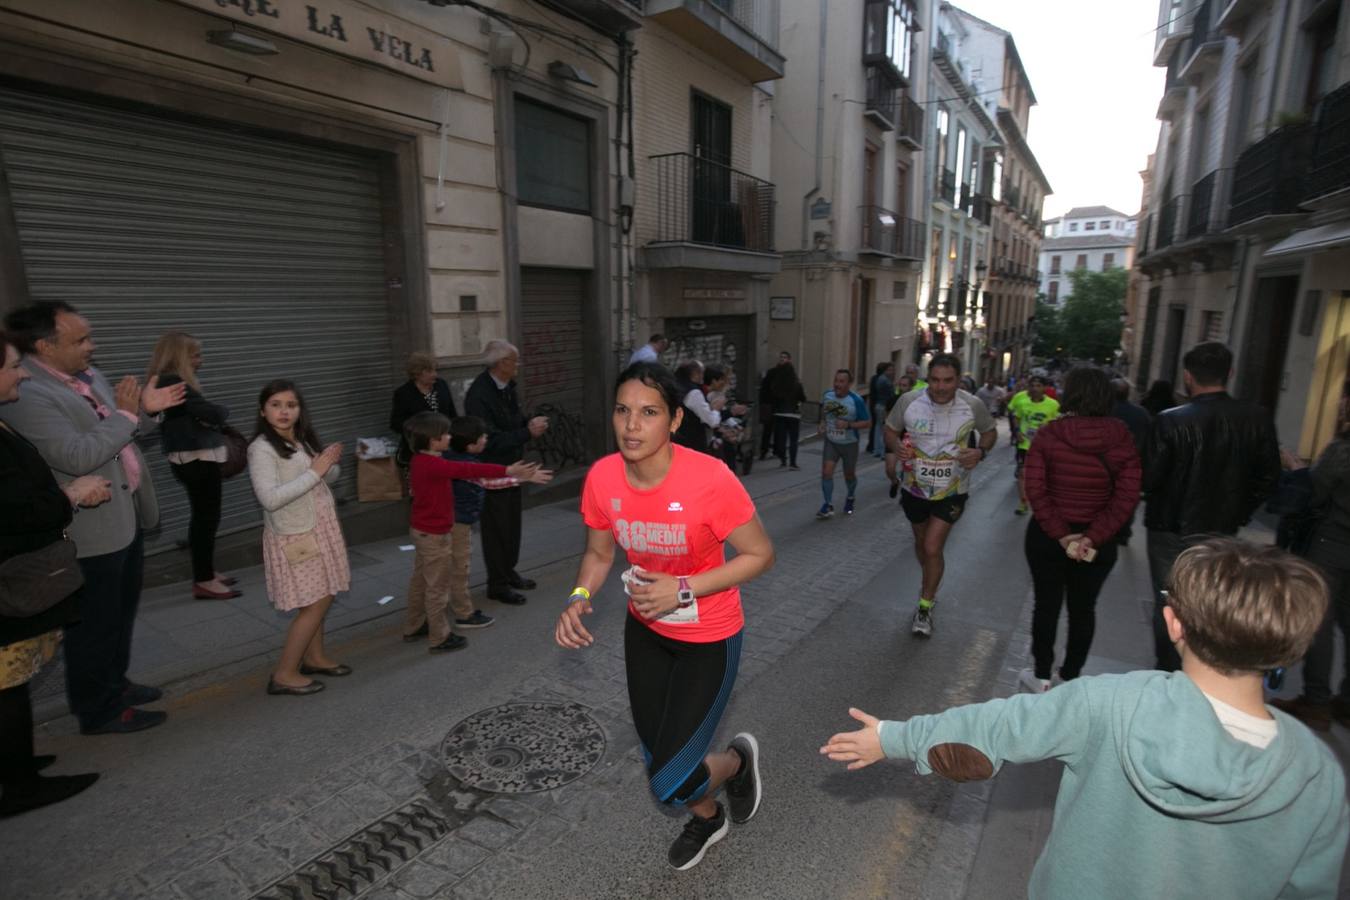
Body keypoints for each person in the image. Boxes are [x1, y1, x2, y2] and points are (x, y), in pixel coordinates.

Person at [823, 539, 1348, 899]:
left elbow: (1001, 725)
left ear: (1172, 624)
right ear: (1290, 651)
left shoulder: (1112, 703)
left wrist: (893, 738)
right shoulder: (1315, 773)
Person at [555, 361, 775, 871]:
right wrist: (579, 593)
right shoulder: (603, 477)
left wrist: (684, 588)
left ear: (675, 420)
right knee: (661, 760)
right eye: (623, 411)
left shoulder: (710, 479)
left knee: (669, 778)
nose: (632, 425)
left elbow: (761, 555)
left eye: (649, 413)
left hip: (710, 636)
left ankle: (737, 762)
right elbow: (600, 553)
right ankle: (708, 816)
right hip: (646, 632)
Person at [0, 301, 185, 734]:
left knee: (120, 614)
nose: (91, 346)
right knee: (94, 625)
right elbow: (77, 454)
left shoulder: (89, 376)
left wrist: (147, 410)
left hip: (124, 517)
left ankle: (116, 684)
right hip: (90, 532)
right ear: (44, 345)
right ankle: (97, 708)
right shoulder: (27, 394)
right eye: (80, 339)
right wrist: (125, 414)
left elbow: (126, 431)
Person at [0, 334, 104, 817]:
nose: (20, 373)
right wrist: (71, 495)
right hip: (9, 581)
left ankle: (15, 762)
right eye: (14, 366)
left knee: (12, 683)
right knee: (7, 683)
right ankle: (19, 785)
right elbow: (13, 512)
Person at [1143, 341, 1279, 672]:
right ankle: (1202, 668)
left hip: (1169, 528)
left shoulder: (1170, 421)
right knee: (1208, 602)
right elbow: (1269, 477)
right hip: (1221, 529)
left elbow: (1148, 478)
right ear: (1229, 373)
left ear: (1188, 377)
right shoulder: (1256, 418)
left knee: (1169, 601)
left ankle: (1168, 671)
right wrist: (1239, 509)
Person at [1019, 367, 1141, 693]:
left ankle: (1041, 675)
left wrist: (1060, 534)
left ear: (1068, 394)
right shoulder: (1122, 437)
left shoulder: (1048, 435)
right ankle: (1069, 677)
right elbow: (1126, 495)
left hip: (1047, 537)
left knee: (1046, 604)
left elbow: (1036, 488)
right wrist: (1093, 536)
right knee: (1083, 609)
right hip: (1097, 542)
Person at [400, 412, 546, 653]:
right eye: (445, 434)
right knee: (437, 587)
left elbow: (471, 472)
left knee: (421, 580)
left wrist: (511, 474)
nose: (449, 436)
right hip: (435, 534)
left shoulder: (422, 460)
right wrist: (509, 469)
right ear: (432, 440)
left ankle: (414, 625)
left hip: (424, 531)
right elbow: (467, 470)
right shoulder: (434, 464)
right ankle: (439, 637)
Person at [248, 380, 350, 696]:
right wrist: (315, 472)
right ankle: (285, 674)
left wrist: (329, 463)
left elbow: (323, 477)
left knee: (320, 594)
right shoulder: (261, 448)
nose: (284, 411)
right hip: (296, 535)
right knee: (316, 601)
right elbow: (270, 498)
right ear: (263, 411)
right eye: (276, 405)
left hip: (320, 527)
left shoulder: (300, 438)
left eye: (291, 405)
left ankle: (315, 657)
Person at [885, 353, 997, 637]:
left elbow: (989, 432)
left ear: (958, 380)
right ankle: (930, 579)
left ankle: (925, 606)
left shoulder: (972, 405)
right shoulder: (909, 401)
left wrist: (980, 452)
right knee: (922, 545)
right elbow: (889, 430)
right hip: (915, 487)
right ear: (928, 379)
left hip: (953, 489)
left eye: (948, 381)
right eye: (935, 380)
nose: (940, 387)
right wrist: (896, 446)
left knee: (933, 547)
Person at [1268, 392, 1350, 731]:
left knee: (1319, 622)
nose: (1341, 401)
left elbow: (1314, 493)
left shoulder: (1341, 450)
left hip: (1332, 542)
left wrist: (1298, 469)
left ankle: (1316, 701)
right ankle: (1346, 702)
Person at [148, 331, 239, 600]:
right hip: (196, 458)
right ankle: (203, 579)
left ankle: (207, 572)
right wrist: (222, 412)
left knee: (204, 516)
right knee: (205, 518)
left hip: (190, 457)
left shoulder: (167, 381)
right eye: (195, 355)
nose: (200, 360)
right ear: (180, 357)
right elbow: (209, 413)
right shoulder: (174, 382)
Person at [463, 340, 549, 606]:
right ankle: (496, 584)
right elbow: (489, 438)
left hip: (513, 467)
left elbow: (511, 421)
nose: (518, 365)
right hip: (493, 470)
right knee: (496, 528)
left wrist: (528, 423)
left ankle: (509, 571)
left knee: (512, 525)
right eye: (514, 360)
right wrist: (526, 432)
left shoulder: (506, 387)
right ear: (501, 364)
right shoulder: (480, 394)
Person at [816, 369, 869, 518]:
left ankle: (850, 496)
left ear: (849, 384)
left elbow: (867, 423)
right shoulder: (827, 395)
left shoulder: (856, 400)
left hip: (849, 444)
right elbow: (824, 412)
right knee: (826, 472)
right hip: (831, 442)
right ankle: (828, 504)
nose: (837, 384)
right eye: (836, 380)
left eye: (841, 381)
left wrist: (848, 425)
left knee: (849, 475)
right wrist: (822, 422)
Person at [390, 352, 458, 469]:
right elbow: (396, 423)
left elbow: (452, 413)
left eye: (435, 370)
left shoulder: (441, 385)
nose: (435, 375)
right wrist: (421, 430)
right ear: (417, 374)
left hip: (445, 448)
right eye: (429, 371)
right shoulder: (404, 394)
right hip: (419, 451)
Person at [1008, 375, 1060, 515]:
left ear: (1044, 388)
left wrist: (1048, 427)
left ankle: (1041, 501)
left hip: (1043, 446)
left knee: (1041, 475)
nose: (1035, 389)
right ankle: (1023, 502)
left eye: (1038, 386)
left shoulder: (1053, 405)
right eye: (1032, 386)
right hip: (1024, 444)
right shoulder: (1023, 402)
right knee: (1022, 473)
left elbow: (1058, 423)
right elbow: (1016, 417)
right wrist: (1017, 432)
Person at [768, 352, 806, 469]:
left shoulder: (776, 383)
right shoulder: (796, 383)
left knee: (781, 438)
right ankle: (793, 463)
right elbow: (803, 398)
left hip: (780, 413)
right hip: (794, 414)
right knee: (793, 439)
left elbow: (772, 396)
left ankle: (783, 460)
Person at [867, 362, 894, 458]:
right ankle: (883, 452)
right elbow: (890, 395)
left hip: (878, 405)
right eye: (889, 370)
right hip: (884, 406)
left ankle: (876, 450)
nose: (891, 372)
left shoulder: (878, 379)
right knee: (884, 429)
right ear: (885, 370)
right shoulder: (886, 381)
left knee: (877, 428)